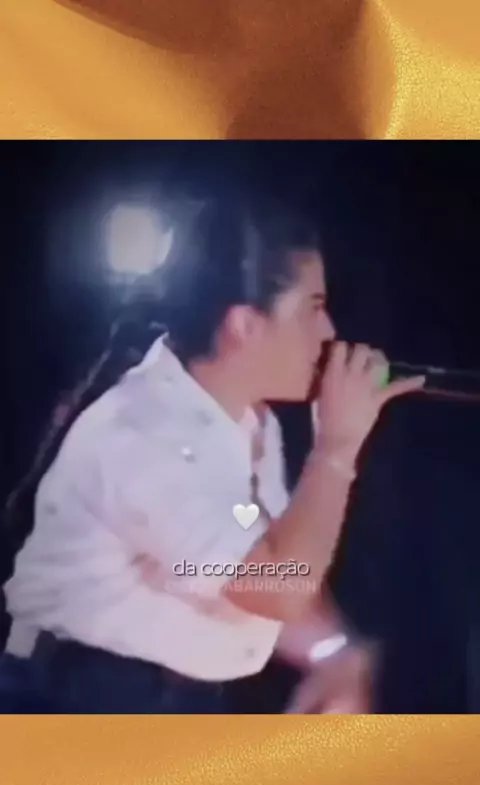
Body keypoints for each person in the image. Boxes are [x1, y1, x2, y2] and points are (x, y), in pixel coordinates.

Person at [1, 194, 424, 713]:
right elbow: (277, 586)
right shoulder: (152, 435)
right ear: (244, 325)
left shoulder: (246, 425)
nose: (329, 333)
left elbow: (257, 551)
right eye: (313, 308)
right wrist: (336, 448)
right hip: (78, 706)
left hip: (160, 704)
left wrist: (332, 651)